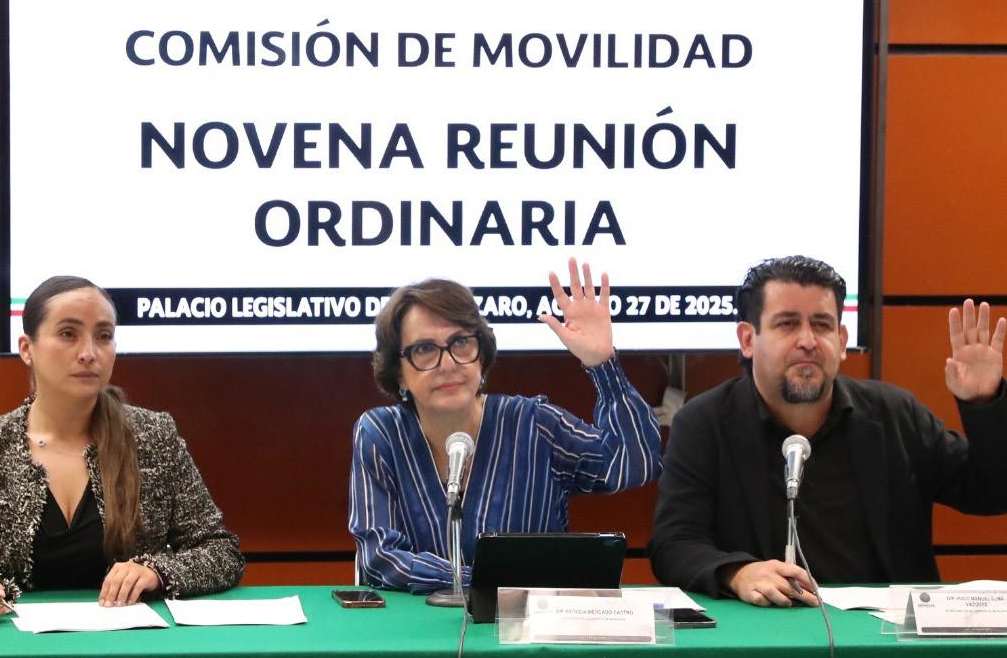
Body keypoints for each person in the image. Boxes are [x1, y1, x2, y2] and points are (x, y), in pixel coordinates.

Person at [648, 255, 1007, 607]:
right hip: (765, 631)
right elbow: (674, 542)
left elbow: (991, 492)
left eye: (822, 325)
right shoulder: (705, 423)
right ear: (747, 339)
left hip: (885, 634)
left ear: (842, 339)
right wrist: (738, 573)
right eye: (787, 324)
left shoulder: (894, 415)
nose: (808, 340)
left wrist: (984, 402)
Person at [0, 275, 244, 619]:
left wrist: (156, 573)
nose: (88, 353)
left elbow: (220, 552)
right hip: (11, 640)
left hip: (133, 641)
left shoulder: (153, 436)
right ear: (26, 349)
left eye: (104, 336)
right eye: (68, 334)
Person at [349, 258, 662, 593]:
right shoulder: (381, 434)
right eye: (425, 349)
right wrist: (484, 580)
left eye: (461, 343)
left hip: (527, 624)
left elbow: (634, 464)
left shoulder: (534, 424)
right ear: (398, 373)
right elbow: (379, 558)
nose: (448, 363)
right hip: (417, 623)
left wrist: (602, 363)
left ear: (481, 355)